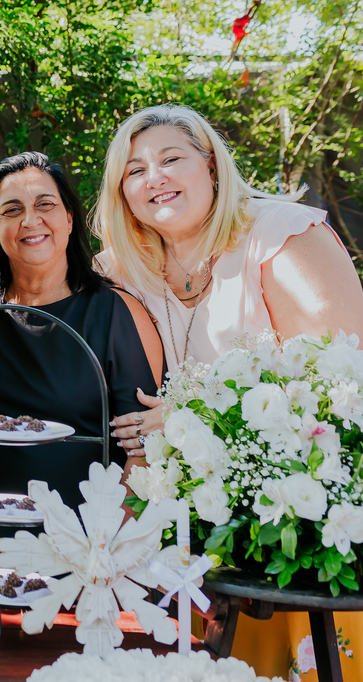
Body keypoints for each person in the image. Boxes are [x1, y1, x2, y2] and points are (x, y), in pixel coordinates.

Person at [93, 104, 363, 678]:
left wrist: (192, 418)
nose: (154, 177)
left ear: (211, 165)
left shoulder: (282, 236)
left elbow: (345, 379)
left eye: (171, 159)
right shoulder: (124, 266)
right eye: (134, 170)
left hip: (297, 505)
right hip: (194, 519)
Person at [0, 152, 163, 508]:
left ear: (69, 219)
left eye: (45, 204)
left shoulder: (116, 312)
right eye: (11, 210)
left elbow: (143, 452)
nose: (30, 220)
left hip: (79, 538)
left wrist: (105, 544)